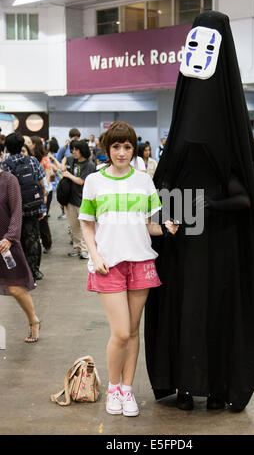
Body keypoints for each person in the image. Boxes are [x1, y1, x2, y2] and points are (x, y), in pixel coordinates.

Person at [144, 11, 254, 413]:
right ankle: (188, 384)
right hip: (185, 232)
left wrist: (206, 204)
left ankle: (214, 385)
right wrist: (166, 208)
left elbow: (244, 193)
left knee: (211, 306)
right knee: (188, 304)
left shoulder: (226, 129)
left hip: (217, 239)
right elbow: (167, 176)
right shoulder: (198, 123)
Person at [79, 121, 178, 417]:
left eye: (127, 147)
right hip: (108, 264)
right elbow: (86, 222)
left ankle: (127, 389)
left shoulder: (144, 181)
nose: (122, 152)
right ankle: (113, 388)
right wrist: (94, 255)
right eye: (116, 146)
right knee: (120, 331)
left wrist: (166, 228)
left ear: (134, 148)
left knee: (134, 331)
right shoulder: (95, 181)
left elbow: (147, 224)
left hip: (140, 261)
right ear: (107, 149)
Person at [0, 145, 41, 343]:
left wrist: (10, 237)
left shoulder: (9, 180)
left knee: (15, 288)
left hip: (6, 243)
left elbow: (16, 212)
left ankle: (33, 320)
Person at [2, 133, 47, 283]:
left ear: (6, 147)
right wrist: (42, 204)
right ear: (22, 145)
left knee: (17, 241)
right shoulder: (32, 160)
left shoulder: (6, 164)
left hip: (15, 210)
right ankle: (35, 271)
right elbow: (41, 183)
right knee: (33, 239)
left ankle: (21, 273)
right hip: (33, 207)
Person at [63, 139, 95, 259]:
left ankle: (85, 249)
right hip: (70, 199)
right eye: (73, 149)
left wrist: (69, 175)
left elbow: (82, 181)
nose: (74, 151)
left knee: (84, 226)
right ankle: (77, 247)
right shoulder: (72, 160)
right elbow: (63, 161)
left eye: (77, 149)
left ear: (83, 150)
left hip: (82, 200)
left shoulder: (89, 165)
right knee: (74, 226)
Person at [30, 136, 53, 254]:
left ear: (35, 144)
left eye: (30, 142)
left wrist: (44, 192)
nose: (28, 144)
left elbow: (47, 175)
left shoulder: (44, 158)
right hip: (33, 192)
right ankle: (38, 241)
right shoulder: (30, 158)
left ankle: (47, 243)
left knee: (43, 218)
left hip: (45, 192)